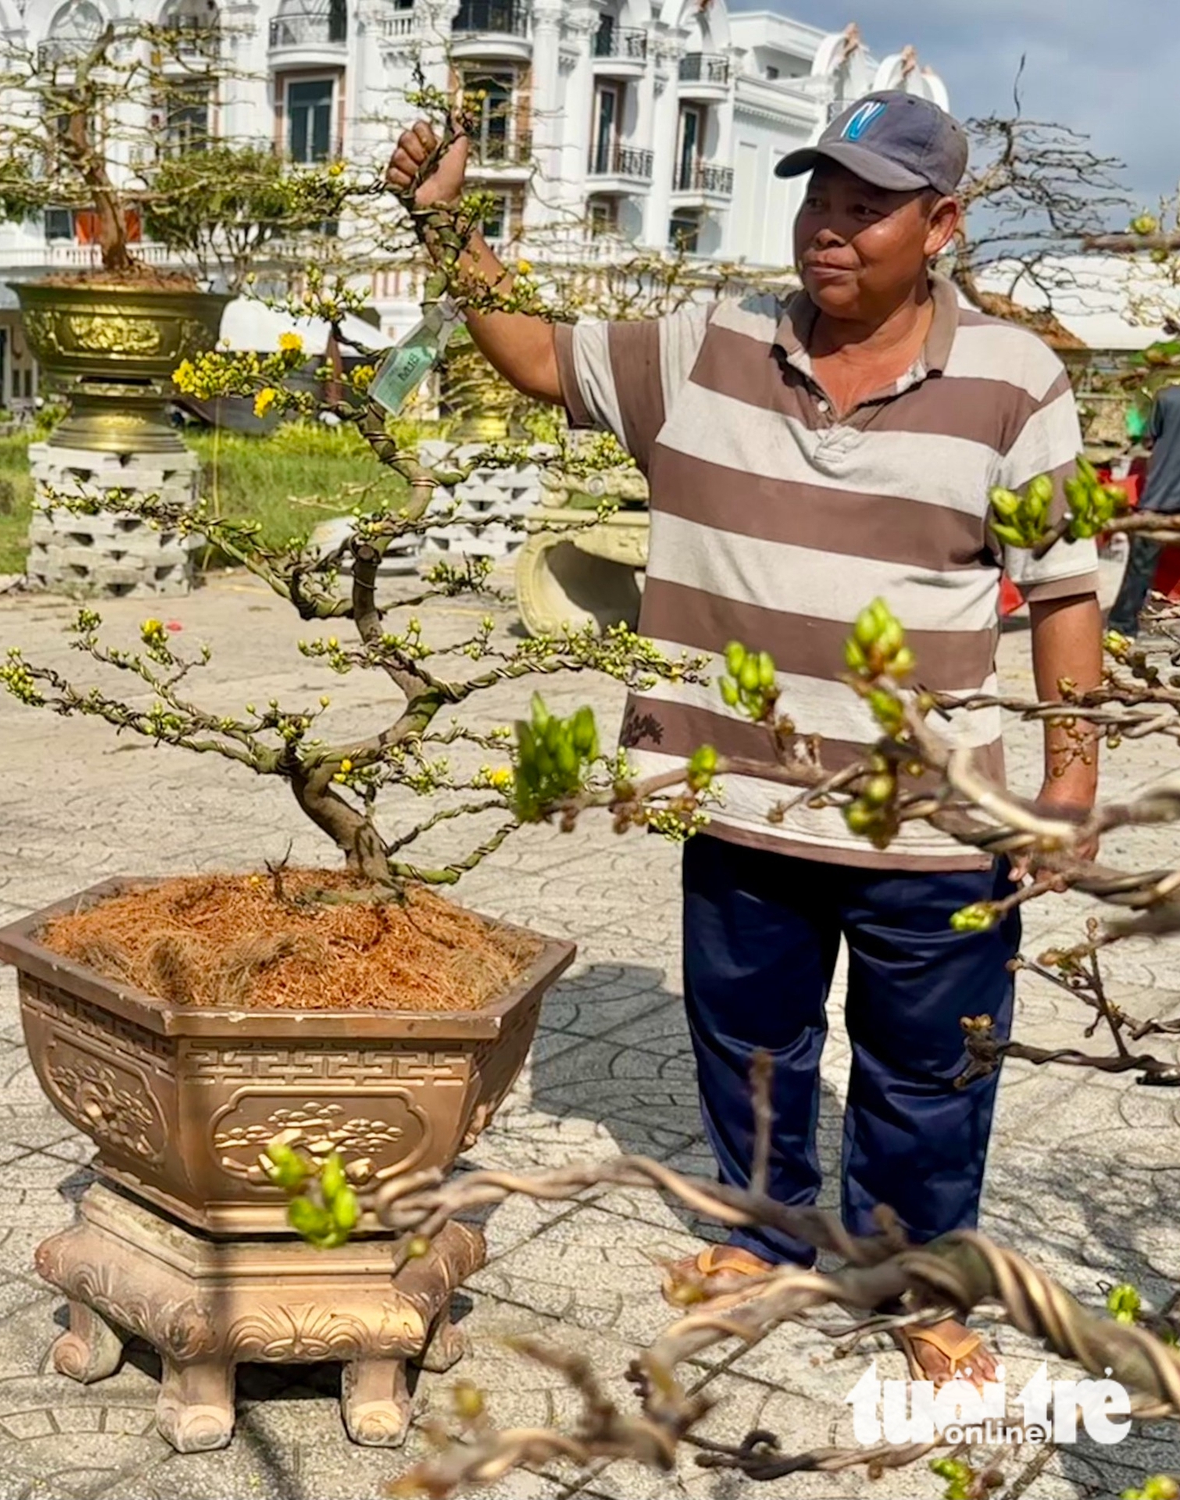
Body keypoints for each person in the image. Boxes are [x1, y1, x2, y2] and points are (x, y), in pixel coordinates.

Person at [388, 91, 1104, 1386]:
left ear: (939, 223)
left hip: (929, 825)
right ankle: (767, 1238)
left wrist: (1068, 779)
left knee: (930, 1072)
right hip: (742, 801)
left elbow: (1061, 588)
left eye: (866, 205)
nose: (829, 229)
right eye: (817, 197)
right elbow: (541, 355)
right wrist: (445, 229)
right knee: (754, 1044)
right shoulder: (705, 345)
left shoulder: (1015, 381)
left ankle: (916, 1274)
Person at [1106, 382, 1180, 637]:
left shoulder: (1166, 397)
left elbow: (1151, 440)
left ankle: (1122, 626)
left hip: (1160, 496)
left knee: (1140, 568)